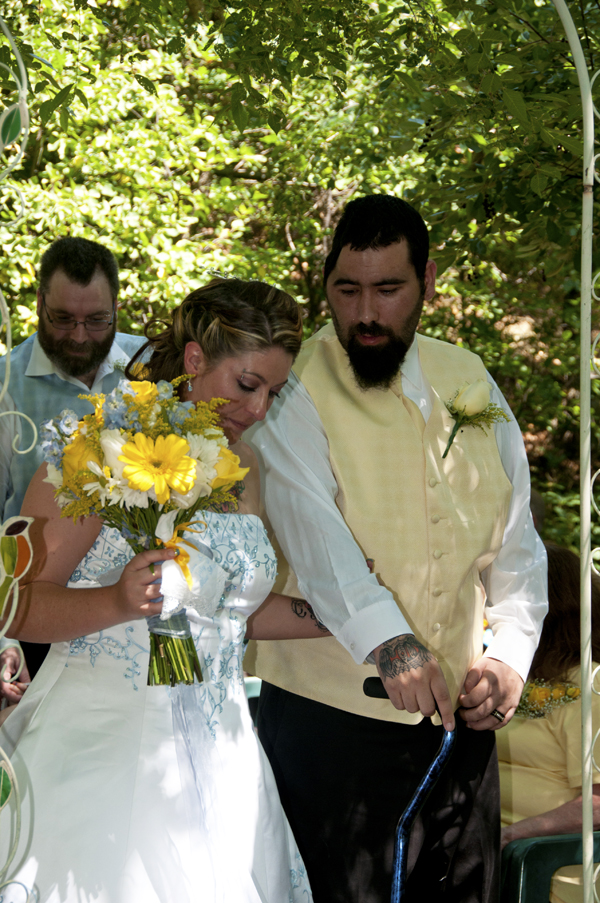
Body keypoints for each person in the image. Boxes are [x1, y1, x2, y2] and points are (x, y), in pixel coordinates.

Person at [245, 194, 548, 903]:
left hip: (462, 726)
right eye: (347, 291)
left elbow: (517, 537)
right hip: (330, 726)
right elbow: (315, 538)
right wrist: (391, 642)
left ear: (429, 281)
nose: (366, 313)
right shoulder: (296, 389)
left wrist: (509, 656)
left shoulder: (467, 373)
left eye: (388, 289)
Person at [0, 278, 325, 903]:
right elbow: (19, 603)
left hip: (225, 760)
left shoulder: (241, 468)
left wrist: (340, 619)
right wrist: (115, 602)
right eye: (248, 386)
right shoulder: (99, 451)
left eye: (274, 393)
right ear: (198, 360)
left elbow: (227, 616)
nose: (258, 411)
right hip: (109, 755)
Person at [0, 236, 146, 690]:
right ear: (40, 302)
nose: (80, 336)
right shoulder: (3, 389)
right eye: (63, 319)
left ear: (117, 307)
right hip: (37, 622)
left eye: (97, 320)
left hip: (148, 621)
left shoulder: (152, 367)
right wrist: (4, 636)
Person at [499, 543, 600, 903]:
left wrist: (513, 836)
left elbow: (598, 802)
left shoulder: (591, 685)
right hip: (495, 860)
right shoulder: (521, 677)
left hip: (548, 870)